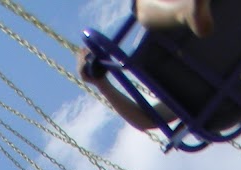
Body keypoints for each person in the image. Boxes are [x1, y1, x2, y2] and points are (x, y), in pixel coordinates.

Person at [75, 0, 216, 132]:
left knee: (141, 8)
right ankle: (186, 11)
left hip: (219, 102)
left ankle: (185, 11)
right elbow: (149, 120)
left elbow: (148, 120)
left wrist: (101, 83)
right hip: (225, 90)